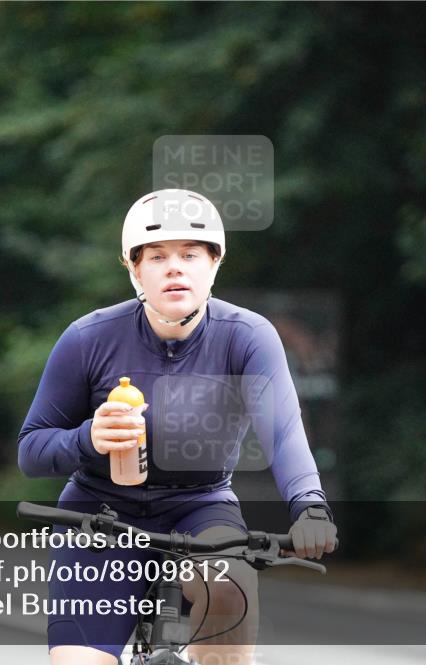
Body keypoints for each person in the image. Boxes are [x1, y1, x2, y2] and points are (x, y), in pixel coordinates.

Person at [18, 189, 338, 665]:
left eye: (190, 254)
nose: (174, 267)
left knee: (230, 584)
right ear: (133, 269)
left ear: (214, 264)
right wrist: (88, 439)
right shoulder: (87, 338)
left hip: (201, 507)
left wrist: (310, 506)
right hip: (99, 515)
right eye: (157, 256)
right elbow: (31, 450)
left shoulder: (248, 337)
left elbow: (284, 434)